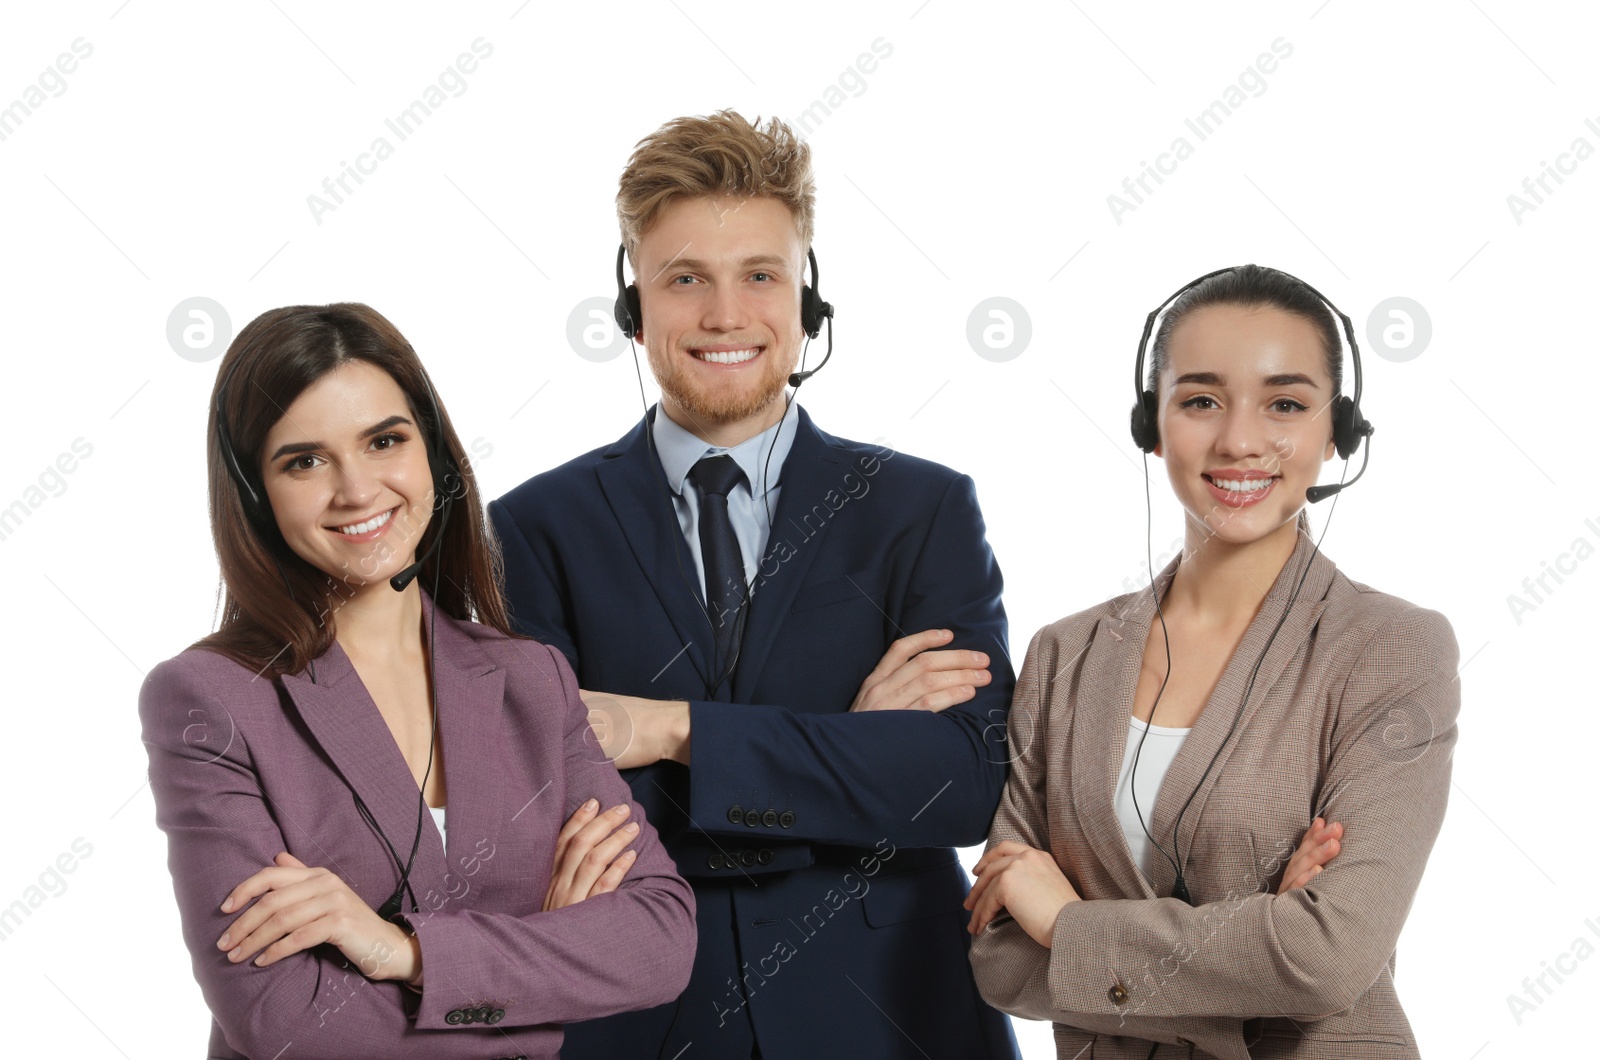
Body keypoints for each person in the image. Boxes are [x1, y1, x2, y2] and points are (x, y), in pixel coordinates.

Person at [489, 110, 1020, 1059]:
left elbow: (961, 787)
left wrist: (671, 732)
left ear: (808, 298)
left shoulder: (922, 508)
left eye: (761, 276)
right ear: (632, 306)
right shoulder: (532, 528)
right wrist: (849, 750)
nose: (726, 316)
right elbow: (552, 819)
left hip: (890, 1019)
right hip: (639, 1021)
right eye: (686, 278)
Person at [139, 303, 696, 1059]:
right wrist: (542, 968)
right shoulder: (211, 698)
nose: (358, 489)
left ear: (431, 451)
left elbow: (660, 940)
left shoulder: (529, 679)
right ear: (255, 493)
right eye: (304, 460)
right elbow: (286, 1023)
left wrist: (400, 952)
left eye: (384, 441)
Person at [966, 265, 1459, 1059]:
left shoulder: (1392, 649)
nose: (1238, 440)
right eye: (1200, 400)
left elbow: (1327, 956)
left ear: (1338, 430)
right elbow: (999, 960)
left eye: (1286, 405)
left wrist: (1065, 923)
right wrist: (1257, 944)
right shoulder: (1065, 654)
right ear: (1150, 424)